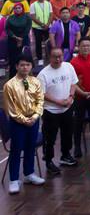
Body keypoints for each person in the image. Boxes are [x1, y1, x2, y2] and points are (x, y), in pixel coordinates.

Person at [3, 54, 46, 194]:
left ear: (31, 66)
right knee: (16, 149)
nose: (25, 67)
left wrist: (34, 117)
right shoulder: (9, 85)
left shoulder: (36, 82)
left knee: (30, 147)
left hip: (33, 120)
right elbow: (10, 108)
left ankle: (29, 174)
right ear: (16, 67)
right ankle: (14, 180)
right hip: (18, 123)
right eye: (22, 65)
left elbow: (40, 101)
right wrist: (24, 120)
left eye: (27, 65)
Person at [39, 47, 78, 175]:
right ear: (49, 57)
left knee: (68, 133)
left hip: (67, 107)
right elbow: (42, 94)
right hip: (51, 111)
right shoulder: (43, 74)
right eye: (55, 57)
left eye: (60, 56)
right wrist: (58, 102)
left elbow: (73, 83)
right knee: (50, 138)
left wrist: (70, 97)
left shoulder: (68, 66)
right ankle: (49, 161)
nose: (58, 59)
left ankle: (65, 155)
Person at [29, 0, 53, 64]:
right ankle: (39, 59)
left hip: (47, 27)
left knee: (48, 42)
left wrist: (48, 24)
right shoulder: (33, 5)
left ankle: (48, 57)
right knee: (38, 43)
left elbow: (51, 14)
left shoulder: (48, 4)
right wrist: (42, 24)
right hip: (37, 27)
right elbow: (33, 16)